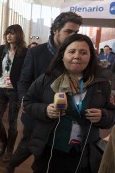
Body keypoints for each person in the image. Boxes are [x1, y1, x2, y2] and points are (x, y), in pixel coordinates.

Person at [24, 34, 115, 173]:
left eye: (83, 52)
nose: (77, 56)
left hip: (84, 152)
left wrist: (103, 116)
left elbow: (112, 114)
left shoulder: (101, 83)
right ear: (62, 55)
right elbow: (28, 102)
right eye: (72, 51)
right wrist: (45, 110)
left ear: (91, 56)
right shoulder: (48, 79)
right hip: (50, 150)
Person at [7, 11, 83, 173]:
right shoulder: (36, 53)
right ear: (55, 30)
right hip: (38, 113)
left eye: (76, 32)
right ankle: (11, 165)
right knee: (30, 146)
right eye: (69, 31)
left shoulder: (76, 54)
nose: (73, 36)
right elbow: (23, 81)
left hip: (65, 117)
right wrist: (26, 103)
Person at [0, 24, 27, 163]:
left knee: (12, 122)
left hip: (15, 90)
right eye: (7, 33)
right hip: (0, 87)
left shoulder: (25, 51)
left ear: (18, 35)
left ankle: (10, 149)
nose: (9, 36)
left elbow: (26, 73)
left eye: (12, 33)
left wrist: (24, 92)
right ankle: (3, 142)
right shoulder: (3, 49)